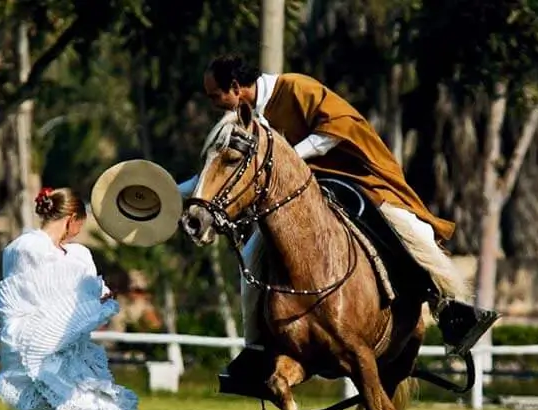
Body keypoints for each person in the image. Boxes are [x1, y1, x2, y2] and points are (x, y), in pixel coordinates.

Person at [177, 53, 498, 360]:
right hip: (306, 197)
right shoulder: (245, 122)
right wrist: (172, 192)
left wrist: (287, 161)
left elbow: (337, 129)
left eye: (215, 96)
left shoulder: (297, 88)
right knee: (250, 259)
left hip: (358, 179)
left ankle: (452, 311)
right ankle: (255, 351)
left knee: (413, 231)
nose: (214, 104)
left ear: (236, 88)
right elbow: (225, 172)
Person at [0, 186, 139, 410]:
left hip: (74, 344)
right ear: (71, 219)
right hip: (44, 343)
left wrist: (100, 298)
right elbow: (37, 296)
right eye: (79, 227)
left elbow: (82, 291)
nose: (77, 234)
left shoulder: (78, 254)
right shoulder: (27, 248)